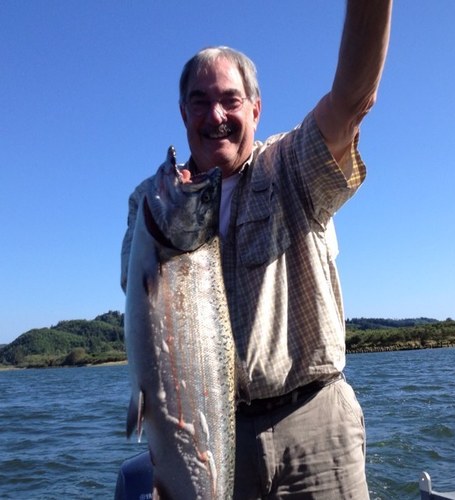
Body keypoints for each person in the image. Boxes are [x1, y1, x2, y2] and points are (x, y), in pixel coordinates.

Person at [119, 2, 392, 498]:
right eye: (199, 102)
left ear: (255, 108)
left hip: (316, 426)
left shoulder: (289, 167)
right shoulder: (148, 202)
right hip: (210, 430)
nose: (216, 115)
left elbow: (353, 98)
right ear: (183, 113)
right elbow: (143, 315)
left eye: (230, 99)